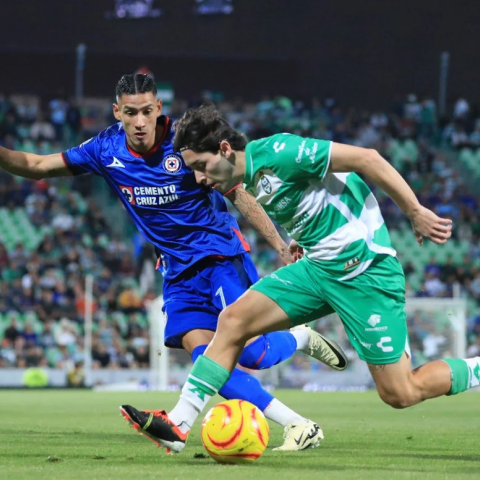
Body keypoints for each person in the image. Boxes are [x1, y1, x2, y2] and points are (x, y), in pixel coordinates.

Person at [0, 75, 347, 451]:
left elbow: (239, 194)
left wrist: (279, 243)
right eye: (130, 113)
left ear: (158, 109)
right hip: (176, 273)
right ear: (117, 112)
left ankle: (298, 338)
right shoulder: (105, 149)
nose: (139, 122)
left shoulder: (186, 145)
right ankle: (296, 424)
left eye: (147, 112)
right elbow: (36, 164)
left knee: (251, 353)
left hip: (219, 257)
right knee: (205, 358)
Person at [119, 103, 480, 455]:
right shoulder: (247, 178)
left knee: (400, 393)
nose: (199, 179)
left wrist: (414, 211)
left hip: (364, 273)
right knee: (233, 321)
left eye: (201, 167)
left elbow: (366, 159)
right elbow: (310, 199)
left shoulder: (282, 151)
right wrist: (300, 237)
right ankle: (179, 424)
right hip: (316, 269)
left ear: (225, 149)